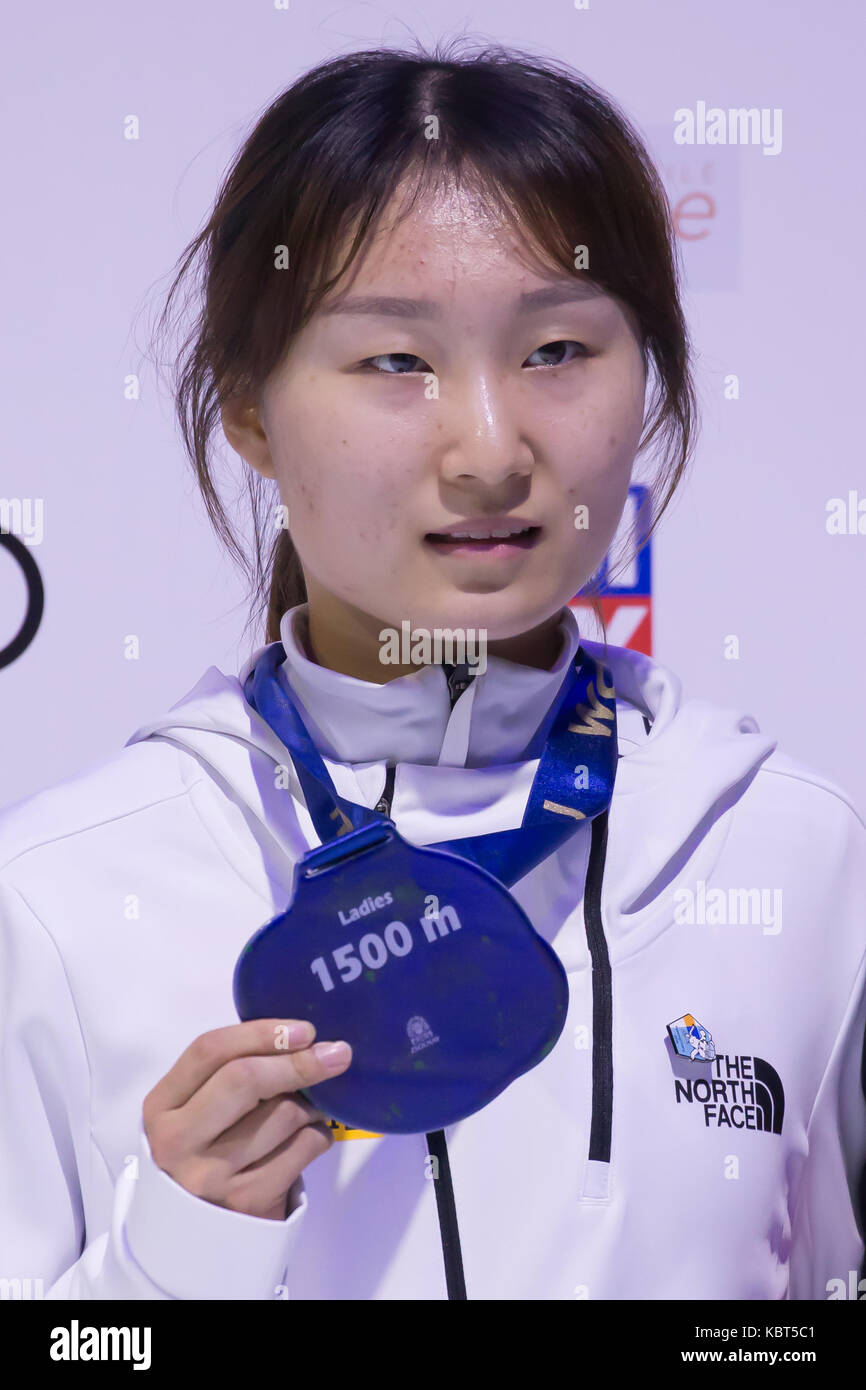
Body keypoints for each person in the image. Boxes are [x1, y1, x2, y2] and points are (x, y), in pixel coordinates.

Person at [1, 40, 864, 1303]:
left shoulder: (793, 849)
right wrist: (171, 1254)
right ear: (247, 405)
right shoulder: (66, 892)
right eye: (394, 362)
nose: (487, 448)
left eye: (558, 349)